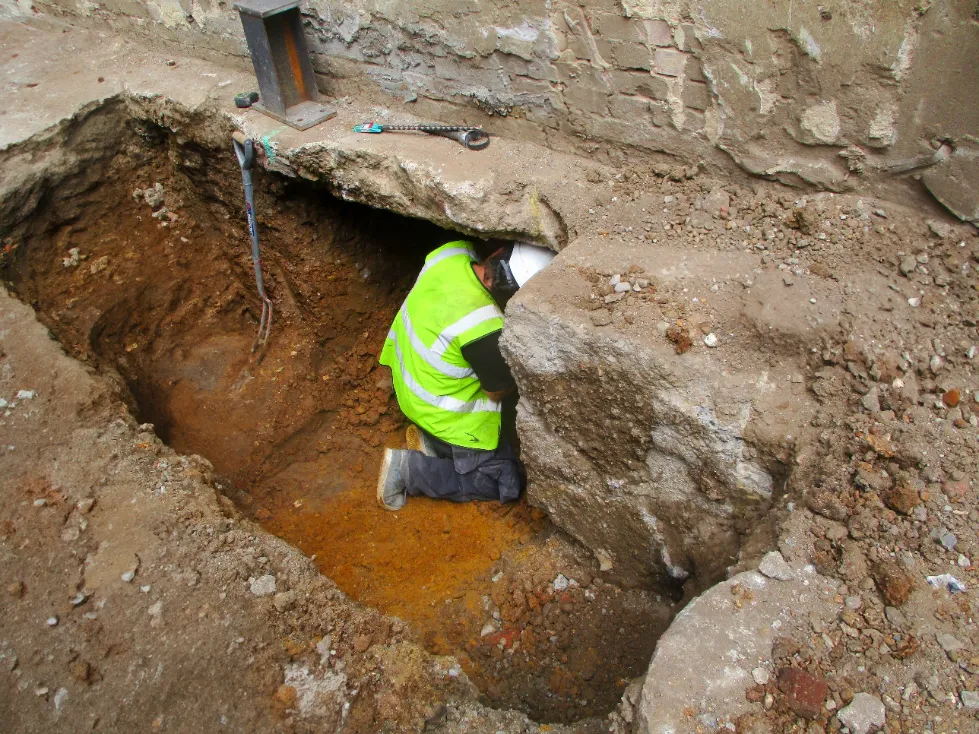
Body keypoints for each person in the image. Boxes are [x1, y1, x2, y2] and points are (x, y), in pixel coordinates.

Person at [375, 240, 556, 510]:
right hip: (444, 415)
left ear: (497, 253)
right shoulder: (485, 328)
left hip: (411, 386)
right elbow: (497, 391)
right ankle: (408, 470)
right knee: (506, 479)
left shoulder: (453, 252)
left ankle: (435, 445)